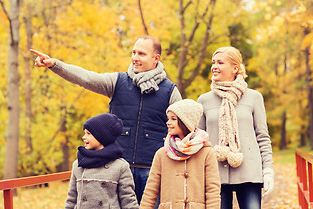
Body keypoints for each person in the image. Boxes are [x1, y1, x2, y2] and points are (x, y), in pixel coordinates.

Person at [31, 35, 182, 204]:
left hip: (153, 170)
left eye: (141, 53)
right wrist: (55, 65)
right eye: (133, 52)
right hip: (116, 168)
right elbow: (86, 78)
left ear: (156, 58)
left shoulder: (170, 91)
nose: (135, 58)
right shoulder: (117, 82)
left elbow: (182, 129)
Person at [197, 46, 274, 209]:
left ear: (235, 68)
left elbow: (263, 137)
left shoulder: (254, 97)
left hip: (249, 172)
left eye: (220, 62)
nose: (214, 67)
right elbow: (199, 142)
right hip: (214, 175)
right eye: (213, 62)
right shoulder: (203, 100)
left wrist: (268, 170)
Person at [139, 99, 221, 209]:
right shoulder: (162, 154)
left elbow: (212, 190)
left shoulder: (207, 153)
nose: (168, 122)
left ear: (186, 122)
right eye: (168, 119)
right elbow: (150, 191)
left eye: (173, 119)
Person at [64, 113, 139, 209]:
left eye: (88, 133)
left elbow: (128, 201)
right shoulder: (78, 164)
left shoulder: (120, 166)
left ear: (102, 137)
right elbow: (71, 199)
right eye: (84, 133)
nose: (83, 137)